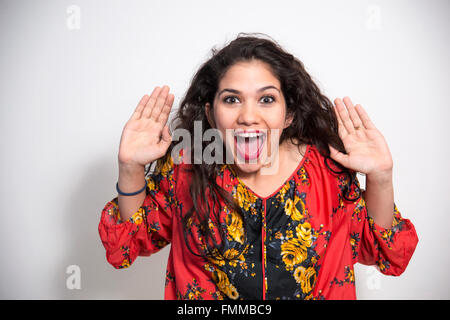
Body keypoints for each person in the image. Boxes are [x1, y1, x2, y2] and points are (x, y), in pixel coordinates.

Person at [98, 33, 418, 300]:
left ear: (288, 114)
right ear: (211, 115)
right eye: (232, 99)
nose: (248, 116)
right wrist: (129, 167)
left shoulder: (328, 171)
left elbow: (386, 255)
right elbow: (125, 247)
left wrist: (381, 177)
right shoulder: (186, 169)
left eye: (266, 99)